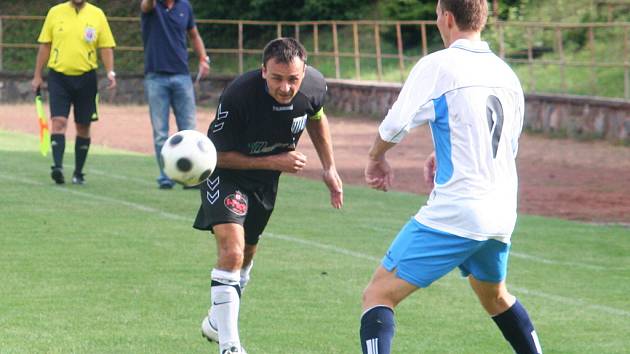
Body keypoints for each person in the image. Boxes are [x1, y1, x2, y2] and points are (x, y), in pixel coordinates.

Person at [359, 1, 543, 353]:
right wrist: (440, 152)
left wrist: (375, 157)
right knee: (496, 297)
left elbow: (396, 125)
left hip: (459, 210)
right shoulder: (507, 73)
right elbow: (505, 144)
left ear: (446, 17)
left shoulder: (439, 65)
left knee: (378, 294)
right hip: (502, 211)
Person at [194, 37, 343, 354]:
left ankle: (215, 321)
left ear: (304, 73)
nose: (286, 87)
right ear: (263, 71)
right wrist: (275, 161)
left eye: (293, 79)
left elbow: (316, 116)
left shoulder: (314, 85)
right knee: (232, 252)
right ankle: (230, 346)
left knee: (246, 256)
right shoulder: (239, 95)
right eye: (277, 78)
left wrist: (329, 167)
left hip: (265, 182)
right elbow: (215, 156)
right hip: (228, 174)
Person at [32, 0, 116, 185]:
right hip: (58, 77)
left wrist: (110, 72)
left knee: (83, 126)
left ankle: (78, 173)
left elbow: (106, 47)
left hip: (86, 78)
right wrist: (37, 75)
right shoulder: (55, 12)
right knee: (59, 121)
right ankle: (58, 168)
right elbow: (45, 45)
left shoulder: (97, 14)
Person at [140, 0, 211, 189]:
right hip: (155, 77)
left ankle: (190, 176)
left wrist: (203, 58)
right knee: (160, 133)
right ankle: (166, 176)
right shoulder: (151, 6)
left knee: (189, 131)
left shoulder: (185, 6)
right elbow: (145, 5)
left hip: (182, 75)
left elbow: (194, 35)